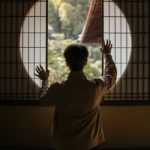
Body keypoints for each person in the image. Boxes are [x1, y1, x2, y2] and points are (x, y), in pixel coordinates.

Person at [35, 39, 117, 150]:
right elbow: (111, 75)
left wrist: (45, 80)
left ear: (67, 62)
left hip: (63, 144)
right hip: (89, 143)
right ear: (86, 62)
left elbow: (43, 100)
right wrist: (107, 54)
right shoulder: (95, 87)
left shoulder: (58, 88)